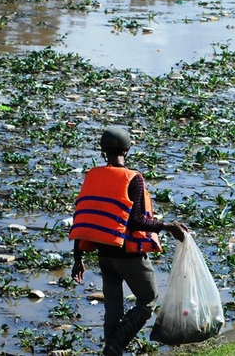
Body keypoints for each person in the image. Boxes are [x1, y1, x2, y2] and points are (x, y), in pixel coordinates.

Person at [69, 126, 188, 356]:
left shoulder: (93, 176)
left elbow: (84, 218)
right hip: (128, 255)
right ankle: (115, 346)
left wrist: (78, 258)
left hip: (104, 254)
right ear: (127, 149)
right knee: (148, 299)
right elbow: (136, 221)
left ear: (103, 151)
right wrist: (166, 226)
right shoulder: (133, 178)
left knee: (113, 306)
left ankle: (111, 350)